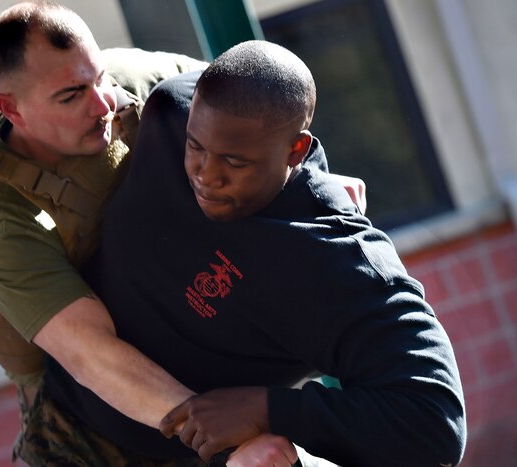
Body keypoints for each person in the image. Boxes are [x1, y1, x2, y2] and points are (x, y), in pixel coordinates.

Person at [0, 2, 345, 465]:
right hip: (93, 429)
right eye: (71, 95)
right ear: (11, 109)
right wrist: (230, 440)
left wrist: (319, 183)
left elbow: (258, 118)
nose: (103, 104)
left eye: (98, 76)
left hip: (205, 346)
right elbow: (96, 357)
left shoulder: (143, 82)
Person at [39, 41, 467, 466]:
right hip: (61, 421)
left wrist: (266, 409)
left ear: (295, 150)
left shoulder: (330, 257)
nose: (205, 176)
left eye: (234, 162)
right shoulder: (171, 109)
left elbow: (436, 423)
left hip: (190, 458)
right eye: (197, 148)